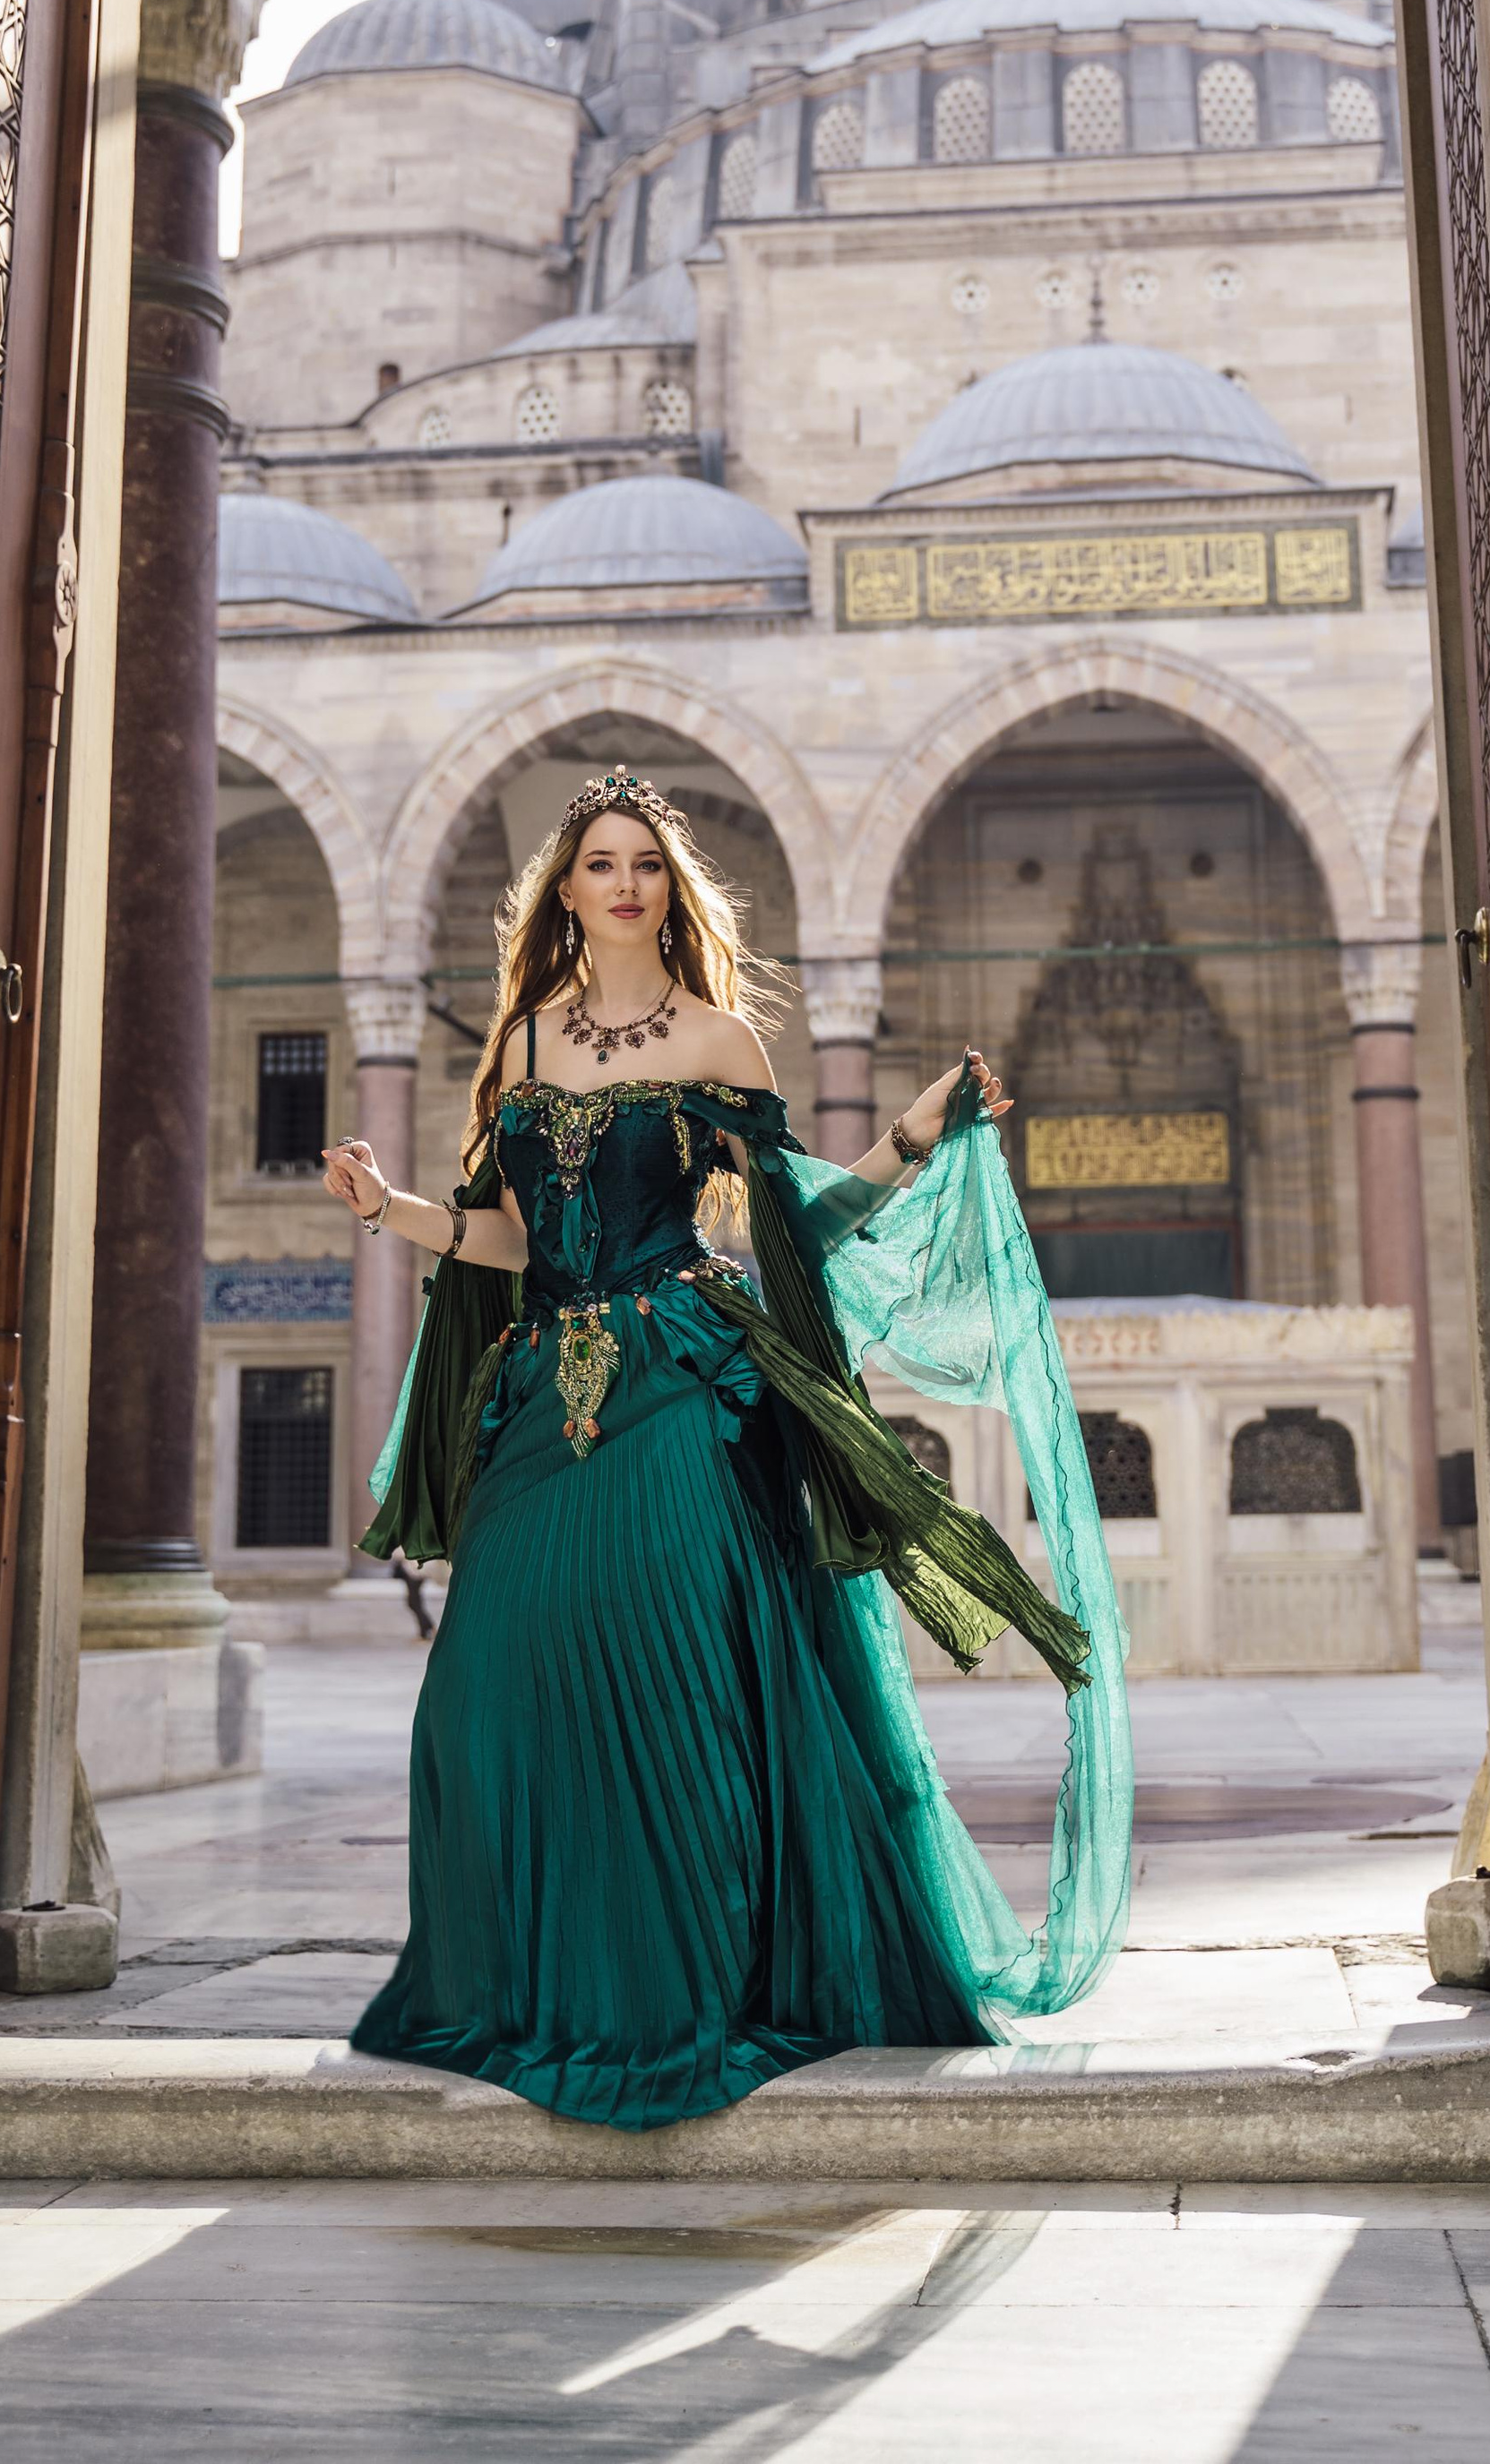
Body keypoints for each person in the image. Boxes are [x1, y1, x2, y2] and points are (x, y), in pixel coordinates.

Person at [322, 763, 1132, 2129]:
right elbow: (509, 1241)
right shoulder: (520, 1043)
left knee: (675, 1682)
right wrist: (390, 1206)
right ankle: (531, 1987)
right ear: (565, 891)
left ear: (668, 889)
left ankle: (681, 1985)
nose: (623, 882)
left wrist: (905, 1143)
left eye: (645, 862)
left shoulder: (721, 1044)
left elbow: (786, 1237)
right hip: (542, 1393)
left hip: (684, 1390)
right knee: (487, 1680)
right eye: (599, 864)